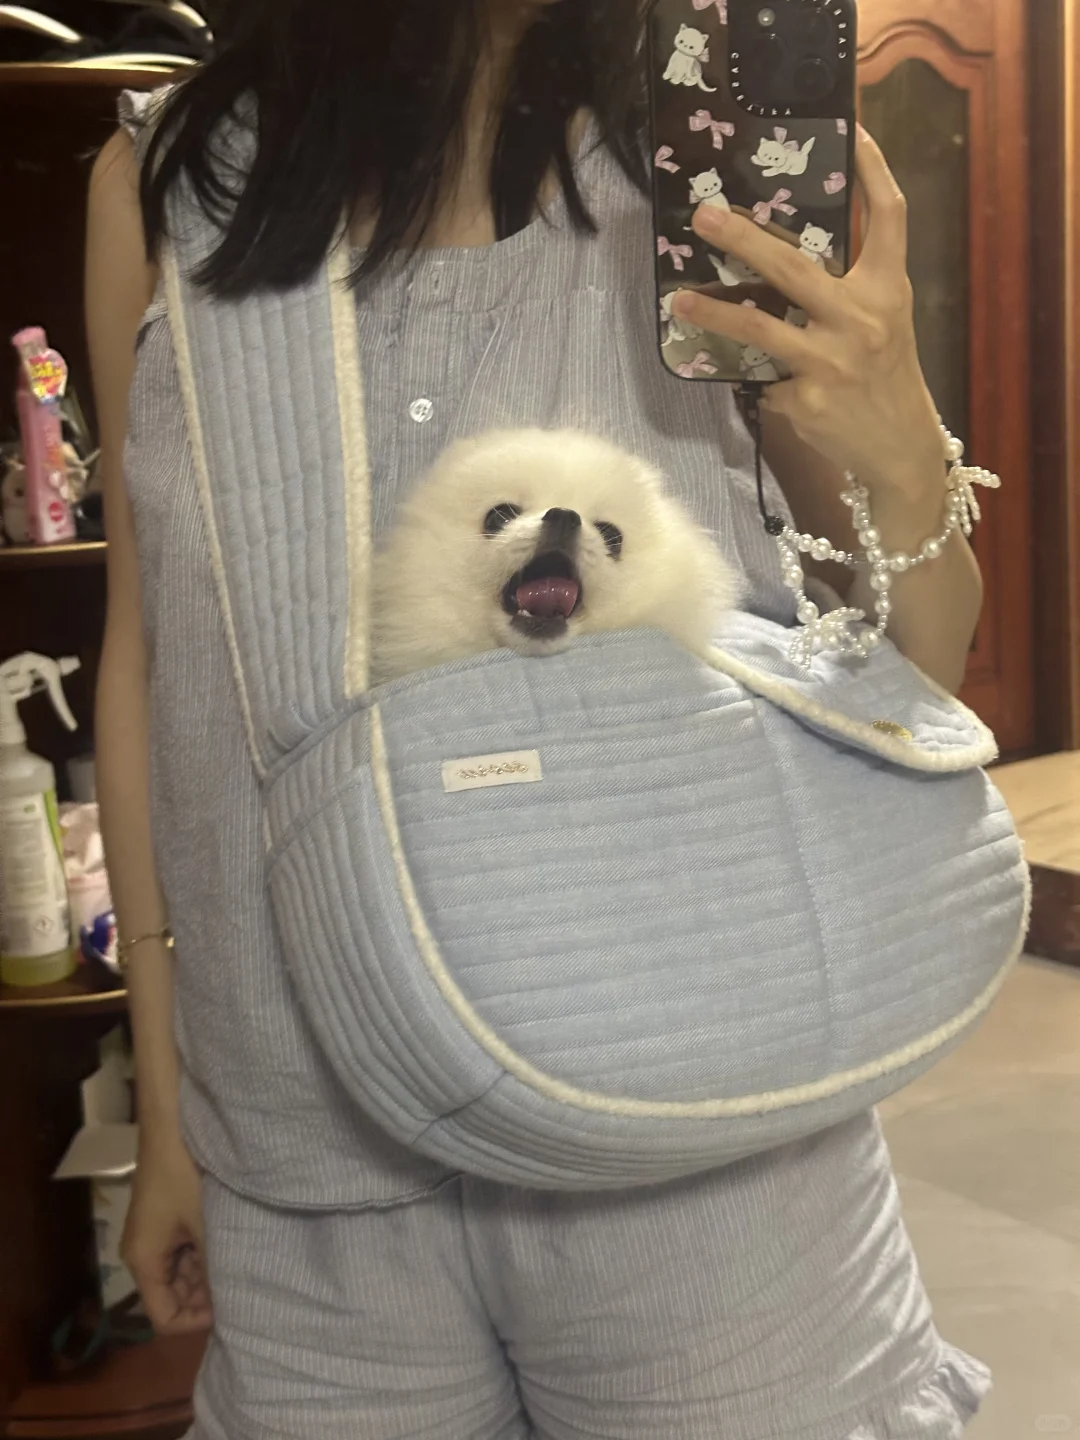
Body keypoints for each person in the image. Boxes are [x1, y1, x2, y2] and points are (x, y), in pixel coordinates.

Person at [86, 1, 989, 1435]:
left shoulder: (714, 157)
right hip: (306, 1150)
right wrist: (165, 1104)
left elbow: (918, 667)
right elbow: (155, 666)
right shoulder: (171, 186)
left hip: (701, 1148)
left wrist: (896, 432)